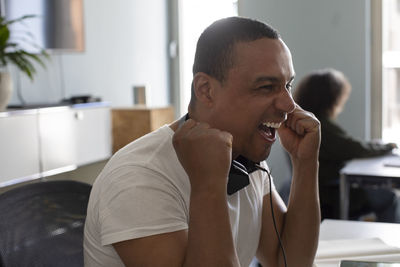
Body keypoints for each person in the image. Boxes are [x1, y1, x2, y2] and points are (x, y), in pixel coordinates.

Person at [84, 16, 321, 267]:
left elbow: (290, 262)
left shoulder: (244, 156)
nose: (288, 105)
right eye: (265, 87)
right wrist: (208, 185)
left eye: (288, 85)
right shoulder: (139, 177)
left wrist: (305, 163)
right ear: (206, 89)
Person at [294, 68, 398, 222]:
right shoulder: (319, 125)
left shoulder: (306, 121)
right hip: (330, 192)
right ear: (331, 98)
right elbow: (353, 148)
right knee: (389, 197)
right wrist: (387, 147)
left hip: (321, 187)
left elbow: (346, 145)